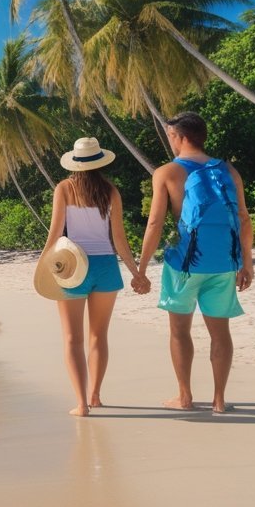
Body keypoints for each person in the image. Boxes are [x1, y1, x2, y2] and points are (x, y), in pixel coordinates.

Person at [136, 112, 254, 413]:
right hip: (225, 262)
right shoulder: (228, 169)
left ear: (180, 137)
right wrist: (246, 262)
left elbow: (155, 223)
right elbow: (243, 217)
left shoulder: (167, 172)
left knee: (179, 331)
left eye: (170, 136)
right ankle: (218, 400)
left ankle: (185, 397)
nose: (169, 141)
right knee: (220, 332)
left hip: (184, 265)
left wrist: (142, 268)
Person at [41, 137, 145, 417]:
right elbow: (119, 239)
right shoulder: (111, 191)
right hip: (106, 267)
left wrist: (42, 264)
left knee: (72, 339)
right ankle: (96, 395)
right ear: (100, 161)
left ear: (74, 162)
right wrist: (136, 272)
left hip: (74, 266)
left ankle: (82, 404)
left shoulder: (64, 188)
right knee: (99, 336)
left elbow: (55, 232)